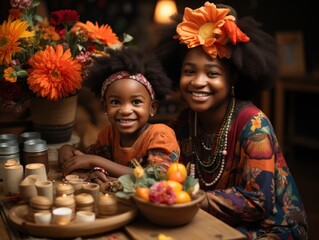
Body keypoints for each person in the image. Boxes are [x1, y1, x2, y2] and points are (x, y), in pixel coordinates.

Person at [155, 2, 308, 239]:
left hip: (271, 229)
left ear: (233, 78)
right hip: (211, 221)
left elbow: (259, 201)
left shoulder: (254, 124)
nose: (198, 81)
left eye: (212, 73)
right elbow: (158, 170)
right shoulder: (184, 123)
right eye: (189, 71)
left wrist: (195, 198)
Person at [58, 47, 180, 182]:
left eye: (136, 102)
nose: (125, 110)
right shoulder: (109, 135)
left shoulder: (160, 135)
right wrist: (68, 150)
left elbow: (157, 177)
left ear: (152, 108)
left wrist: (96, 162)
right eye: (115, 102)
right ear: (106, 107)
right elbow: (86, 156)